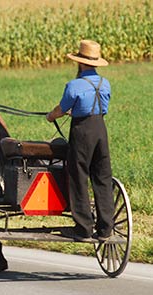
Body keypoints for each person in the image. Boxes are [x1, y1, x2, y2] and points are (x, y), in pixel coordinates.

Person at [46, 40, 114, 242]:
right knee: (102, 176)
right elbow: (104, 108)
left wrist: (51, 116)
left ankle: (83, 228)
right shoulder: (105, 83)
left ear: (80, 63)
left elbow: (61, 109)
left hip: (82, 130)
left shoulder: (74, 85)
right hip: (100, 129)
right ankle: (105, 229)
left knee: (78, 175)